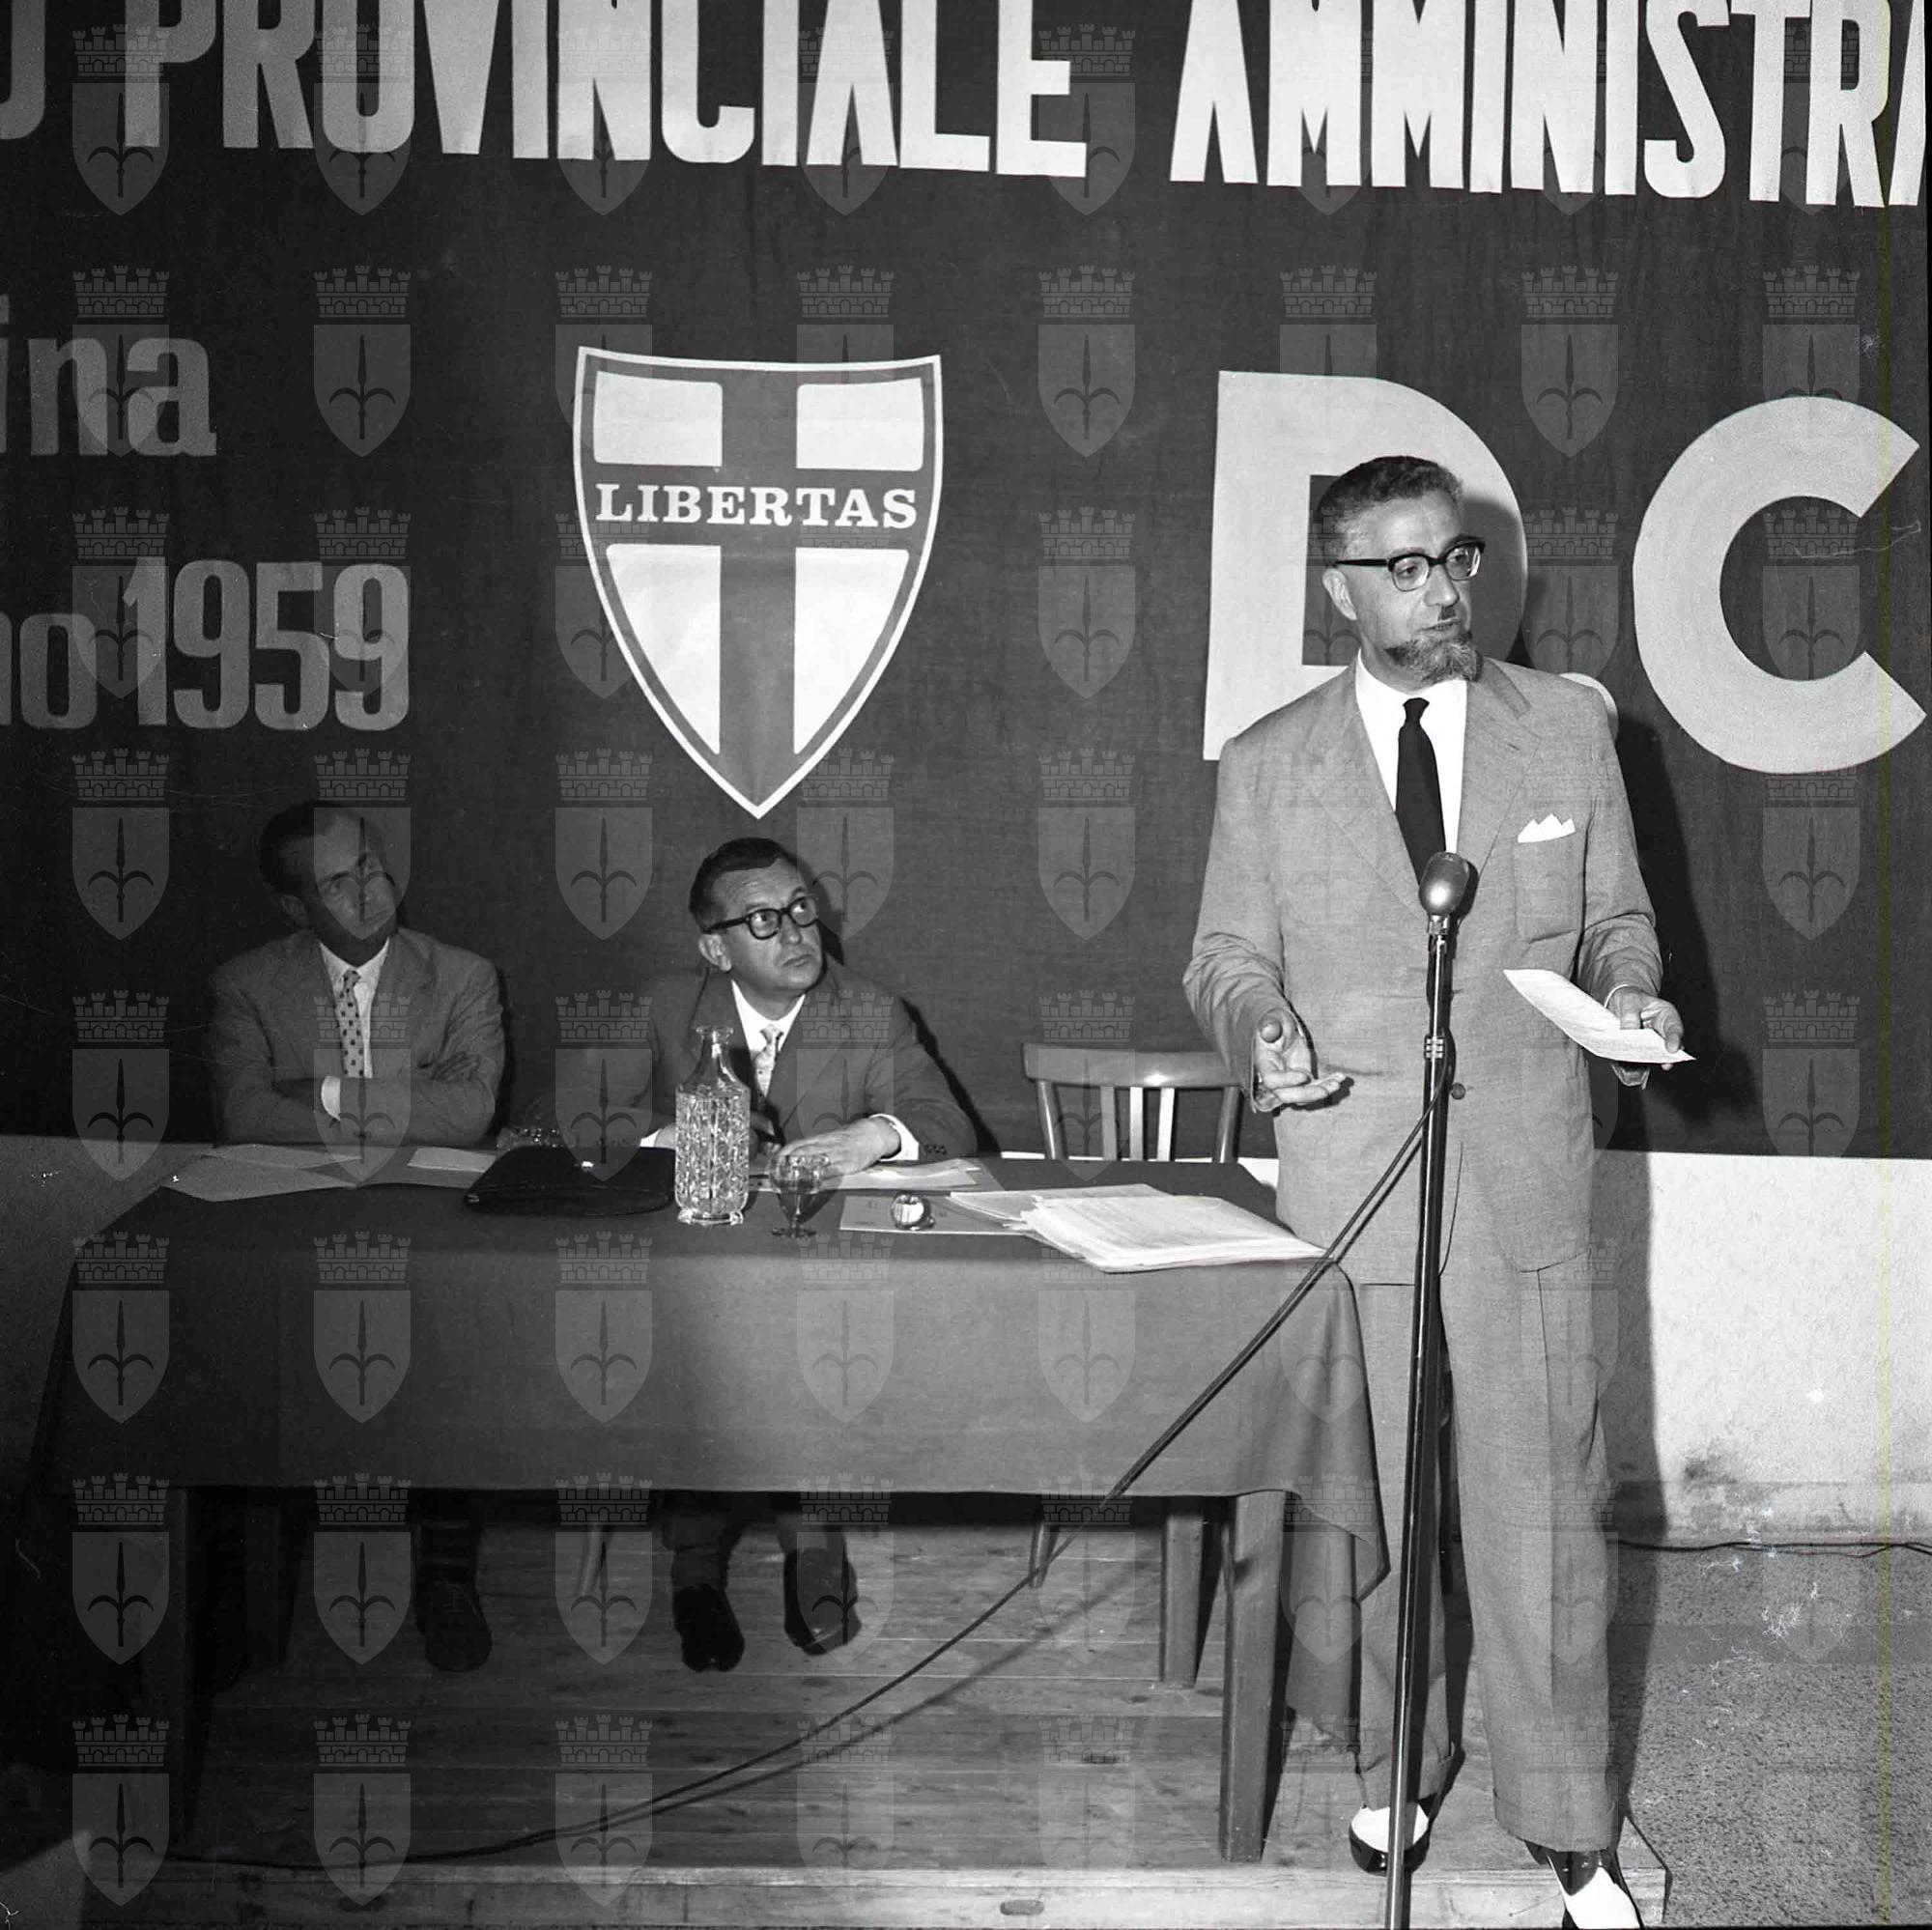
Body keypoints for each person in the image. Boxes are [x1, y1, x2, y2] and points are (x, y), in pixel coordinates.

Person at [1185, 456, 1681, 1929]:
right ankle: (1397, 1760)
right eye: (1403, 567)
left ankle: (1570, 1822)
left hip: (1524, 1177)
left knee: (1544, 1504)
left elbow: (1619, 918)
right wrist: (1261, 1030)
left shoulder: (1566, 730)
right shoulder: (1267, 763)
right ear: (1340, 589)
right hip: (1352, 1177)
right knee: (1376, 1505)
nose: (1445, 590)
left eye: (1456, 558)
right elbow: (1225, 956)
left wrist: (1634, 995)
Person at [639, 837, 973, 1670]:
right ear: (715, 948)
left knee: (814, 1356)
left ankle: (815, 1555)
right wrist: (663, 1135)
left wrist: (876, 1134)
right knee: (702, 1364)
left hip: (817, 1280)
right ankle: (694, 1570)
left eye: (799, 908)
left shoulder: (870, 1010)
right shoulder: (662, 1008)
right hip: (700, 1273)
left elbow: (948, 1124)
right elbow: (560, 1118)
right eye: (762, 920)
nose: (794, 932)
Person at [207, 801, 505, 1673]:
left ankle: (445, 1572)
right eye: (338, 882)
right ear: (294, 906)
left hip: (429, 1222)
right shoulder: (245, 983)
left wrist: (322, 1093)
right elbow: (242, 1116)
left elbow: (469, 1114)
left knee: (453, 1358)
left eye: (371, 866)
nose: (370, 891)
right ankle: (246, 1584)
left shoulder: (462, 975)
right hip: (301, 1222)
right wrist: (405, 1100)